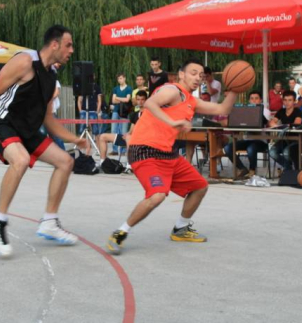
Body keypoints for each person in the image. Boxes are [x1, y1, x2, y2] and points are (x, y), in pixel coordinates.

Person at [0, 25, 87, 257]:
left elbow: (48, 120)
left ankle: (49, 222)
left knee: (65, 162)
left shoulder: (51, 77)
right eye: (68, 45)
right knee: (21, 160)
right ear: (54, 44)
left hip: (27, 130)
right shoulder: (25, 61)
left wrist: (75, 138)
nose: (71, 50)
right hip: (0, 123)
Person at [106, 58, 238, 255]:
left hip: (167, 154)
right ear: (181, 75)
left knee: (200, 186)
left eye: (201, 76)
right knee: (157, 195)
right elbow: (150, 103)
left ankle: (181, 228)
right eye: (193, 73)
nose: (197, 78)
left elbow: (222, 109)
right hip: (144, 150)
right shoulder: (171, 90)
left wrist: (236, 87)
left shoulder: (191, 101)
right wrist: (172, 122)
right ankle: (120, 232)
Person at [223, 91, 271, 179]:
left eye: (256, 98)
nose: (254, 101)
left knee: (251, 148)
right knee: (227, 148)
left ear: (260, 100)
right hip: (247, 140)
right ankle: (242, 169)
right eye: (252, 99)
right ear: (249, 100)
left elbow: (262, 123)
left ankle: (252, 171)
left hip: (261, 141)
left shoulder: (265, 111)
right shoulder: (245, 110)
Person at [98, 90, 147, 171]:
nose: (140, 102)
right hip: (131, 138)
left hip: (142, 140)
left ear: (146, 100)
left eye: (142, 99)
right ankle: (102, 163)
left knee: (129, 138)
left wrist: (130, 136)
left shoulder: (149, 113)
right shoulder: (135, 114)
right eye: (138, 99)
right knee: (103, 137)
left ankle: (129, 165)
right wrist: (127, 134)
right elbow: (131, 129)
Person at [268, 90, 302, 171]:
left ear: (294, 101)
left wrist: (282, 127)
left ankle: (291, 170)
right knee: (272, 152)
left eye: (290, 100)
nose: (287, 102)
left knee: (286, 152)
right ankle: (288, 168)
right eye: (285, 100)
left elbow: (296, 124)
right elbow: (271, 122)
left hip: (296, 139)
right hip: (284, 138)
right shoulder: (281, 111)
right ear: (283, 101)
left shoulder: (297, 111)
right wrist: (277, 126)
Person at [110, 73, 132, 155]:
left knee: (123, 131)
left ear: (124, 78)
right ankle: (115, 150)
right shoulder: (115, 88)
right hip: (116, 110)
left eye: (121, 78)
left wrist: (117, 98)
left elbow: (127, 99)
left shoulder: (129, 88)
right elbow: (113, 101)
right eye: (119, 79)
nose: (120, 80)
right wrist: (122, 99)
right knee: (113, 130)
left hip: (125, 112)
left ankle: (123, 150)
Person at [77, 78, 102, 142]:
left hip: (93, 111)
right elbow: (79, 100)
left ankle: (98, 150)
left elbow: (99, 101)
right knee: (81, 130)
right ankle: (82, 148)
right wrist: (80, 111)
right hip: (84, 111)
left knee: (96, 131)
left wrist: (97, 111)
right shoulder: (83, 87)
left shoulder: (96, 87)